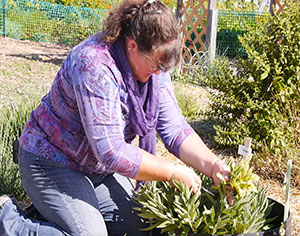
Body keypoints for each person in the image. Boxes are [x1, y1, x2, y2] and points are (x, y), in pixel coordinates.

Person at [0, 0, 230, 235]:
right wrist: (172, 173)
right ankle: (7, 219)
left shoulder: (153, 67)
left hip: (97, 168)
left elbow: (174, 128)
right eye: (155, 65)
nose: (159, 74)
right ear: (132, 45)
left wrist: (213, 165)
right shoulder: (94, 64)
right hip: (52, 161)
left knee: (141, 226)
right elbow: (112, 152)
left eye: (163, 68)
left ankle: (52, 214)